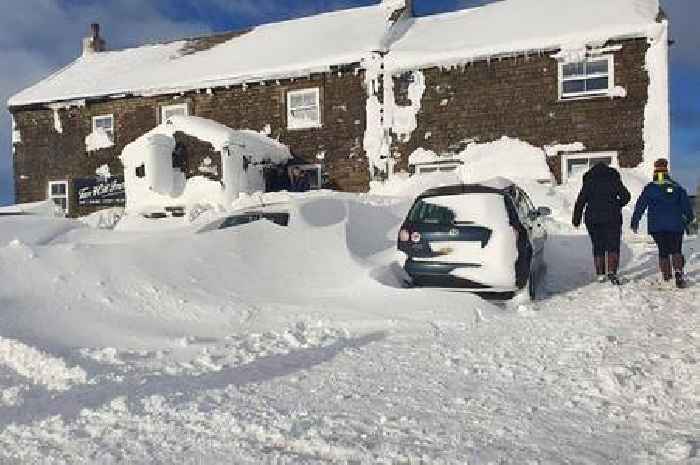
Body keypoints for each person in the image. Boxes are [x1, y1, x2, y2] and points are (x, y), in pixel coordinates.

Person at [631, 158, 695, 289]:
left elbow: (640, 205)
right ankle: (678, 271)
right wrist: (689, 219)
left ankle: (666, 275)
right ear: (666, 171)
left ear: (655, 171)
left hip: (657, 226)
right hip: (676, 225)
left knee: (663, 250)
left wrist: (635, 221)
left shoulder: (650, 188)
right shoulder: (677, 187)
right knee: (676, 249)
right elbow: (686, 207)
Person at [572, 163, 631, 285]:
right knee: (613, 245)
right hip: (612, 217)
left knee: (598, 245)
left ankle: (600, 274)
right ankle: (612, 272)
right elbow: (626, 196)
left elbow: (580, 201)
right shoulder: (614, 180)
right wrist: (617, 204)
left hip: (593, 219)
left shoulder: (589, 182)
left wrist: (576, 219)